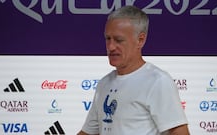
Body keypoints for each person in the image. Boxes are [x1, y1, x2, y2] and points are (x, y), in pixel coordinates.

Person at [77, 5, 190, 135]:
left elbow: (180, 132)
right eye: (108, 39)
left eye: (119, 40)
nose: (111, 46)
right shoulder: (104, 83)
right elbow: (89, 132)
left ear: (140, 40)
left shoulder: (158, 81)